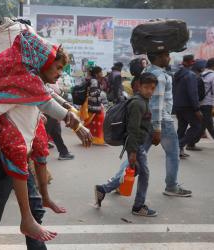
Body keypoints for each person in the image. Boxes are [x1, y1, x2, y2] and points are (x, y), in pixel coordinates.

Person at [0, 30, 92, 246]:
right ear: (43, 62)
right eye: (58, 67)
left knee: (36, 209)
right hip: (1, 160)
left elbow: (48, 97)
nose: (60, 73)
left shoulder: (34, 84)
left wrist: (70, 111)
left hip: (21, 158)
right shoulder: (20, 84)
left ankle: (32, 226)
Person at [95, 73, 159, 216]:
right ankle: (138, 206)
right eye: (146, 87)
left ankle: (103, 189)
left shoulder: (143, 100)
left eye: (152, 88)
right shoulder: (137, 103)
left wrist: (153, 132)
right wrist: (133, 152)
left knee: (135, 171)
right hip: (137, 145)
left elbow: (144, 123)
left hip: (138, 143)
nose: (149, 91)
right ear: (139, 87)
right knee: (145, 174)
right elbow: (133, 129)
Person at [145, 51, 192, 197]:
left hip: (146, 117)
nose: (169, 58)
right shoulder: (160, 76)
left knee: (139, 153)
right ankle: (171, 187)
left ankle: (118, 182)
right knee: (173, 154)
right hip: (162, 120)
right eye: (166, 55)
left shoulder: (147, 70)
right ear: (158, 57)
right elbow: (157, 104)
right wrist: (158, 128)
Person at [172, 55, 203, 157]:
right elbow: (193, 93)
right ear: (191, 62)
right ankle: (179, 145)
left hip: (178, 105)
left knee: (182, 127)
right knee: (197, 126)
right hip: (188, 106)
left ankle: (177, 150)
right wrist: (197, 109)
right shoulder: (191, 75)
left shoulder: (177, 74)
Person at [45, 82, 74, 160]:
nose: (59, 73)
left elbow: (53, 93)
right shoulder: (39, 82)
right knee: (47, 135)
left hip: (50, 113)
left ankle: (63, 152)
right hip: (47, 114)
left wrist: (65, 103)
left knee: (56, 132)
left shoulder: (46, 83)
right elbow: (53, 95)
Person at [80, 66, 105, 145]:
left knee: (92, 123)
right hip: (94, 105)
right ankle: (96, 139)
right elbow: (92, 93)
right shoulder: (94, 81)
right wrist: (99, 89)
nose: (102, 73)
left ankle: (90, 138)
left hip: (94, 105)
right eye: (100, 72)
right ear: (97, 74)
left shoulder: (94, 80)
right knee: (99, 121)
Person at [198, 58, 214, 140]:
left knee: (207, 123)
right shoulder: (212, 75)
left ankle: (191, 142)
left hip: (200, 102)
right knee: (205, 124)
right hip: (208, 103)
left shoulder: (201, 74)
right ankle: (190, 142)